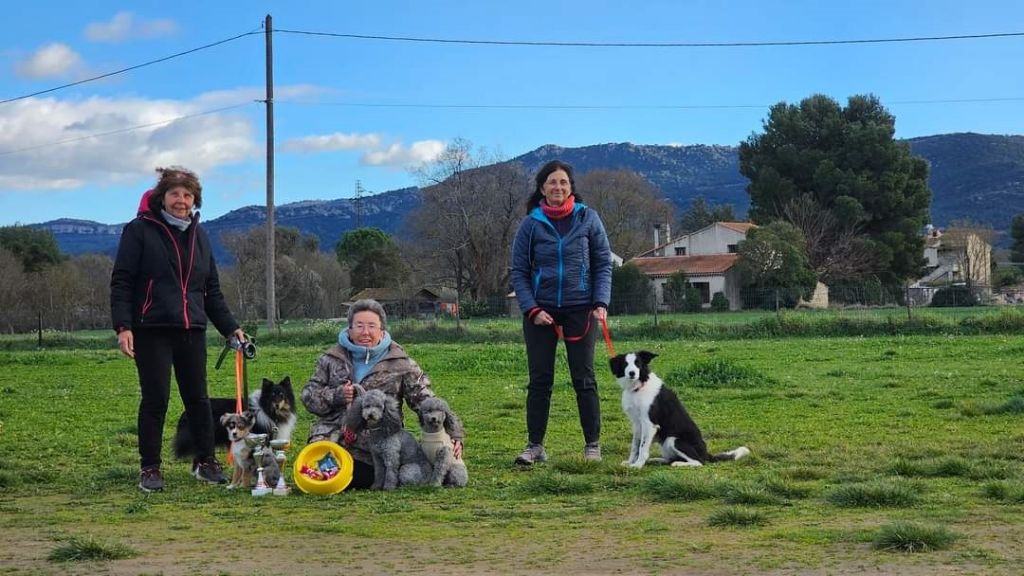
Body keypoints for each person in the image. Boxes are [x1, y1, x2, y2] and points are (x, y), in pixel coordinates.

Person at [111, 166, 246, 492]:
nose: (181, 200)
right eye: (174, 194)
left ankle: (204, 462)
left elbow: (210, 289)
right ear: (162, 197)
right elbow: (122, 282)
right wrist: (123, 326)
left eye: (187, 195)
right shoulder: (140, 230)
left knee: (198, 399)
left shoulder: (199, 235)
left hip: (192, 329)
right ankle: (150, 469)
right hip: (152, 328)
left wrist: (231, 328)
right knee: (156, 399)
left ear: (194, 200)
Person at [509, 159, 613, 465]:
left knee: (584, 378)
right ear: (542, 188)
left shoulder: (588, 219)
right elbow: (519, 271)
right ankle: (535, 446)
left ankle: (592, 445)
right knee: (540, 379)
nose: (558, 187)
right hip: (541, 312)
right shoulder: (530, 224)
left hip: (581, 309)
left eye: (563, 182)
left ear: (571, 188)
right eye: (552, 182)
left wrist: (600, 302)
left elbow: (603, 264)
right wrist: (532, 309)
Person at [301, 298, 463, 489]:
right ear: (350, 329)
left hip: (377, 441)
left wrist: (453, 434)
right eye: (359, 326)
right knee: (316, 473)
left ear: (382, 330)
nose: (365, 332)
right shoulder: (330, 359)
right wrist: (337, 395)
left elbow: (426, 400)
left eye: (372, 326)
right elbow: (308, 396)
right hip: (331, 436)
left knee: (360, 477)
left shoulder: (401, 363)